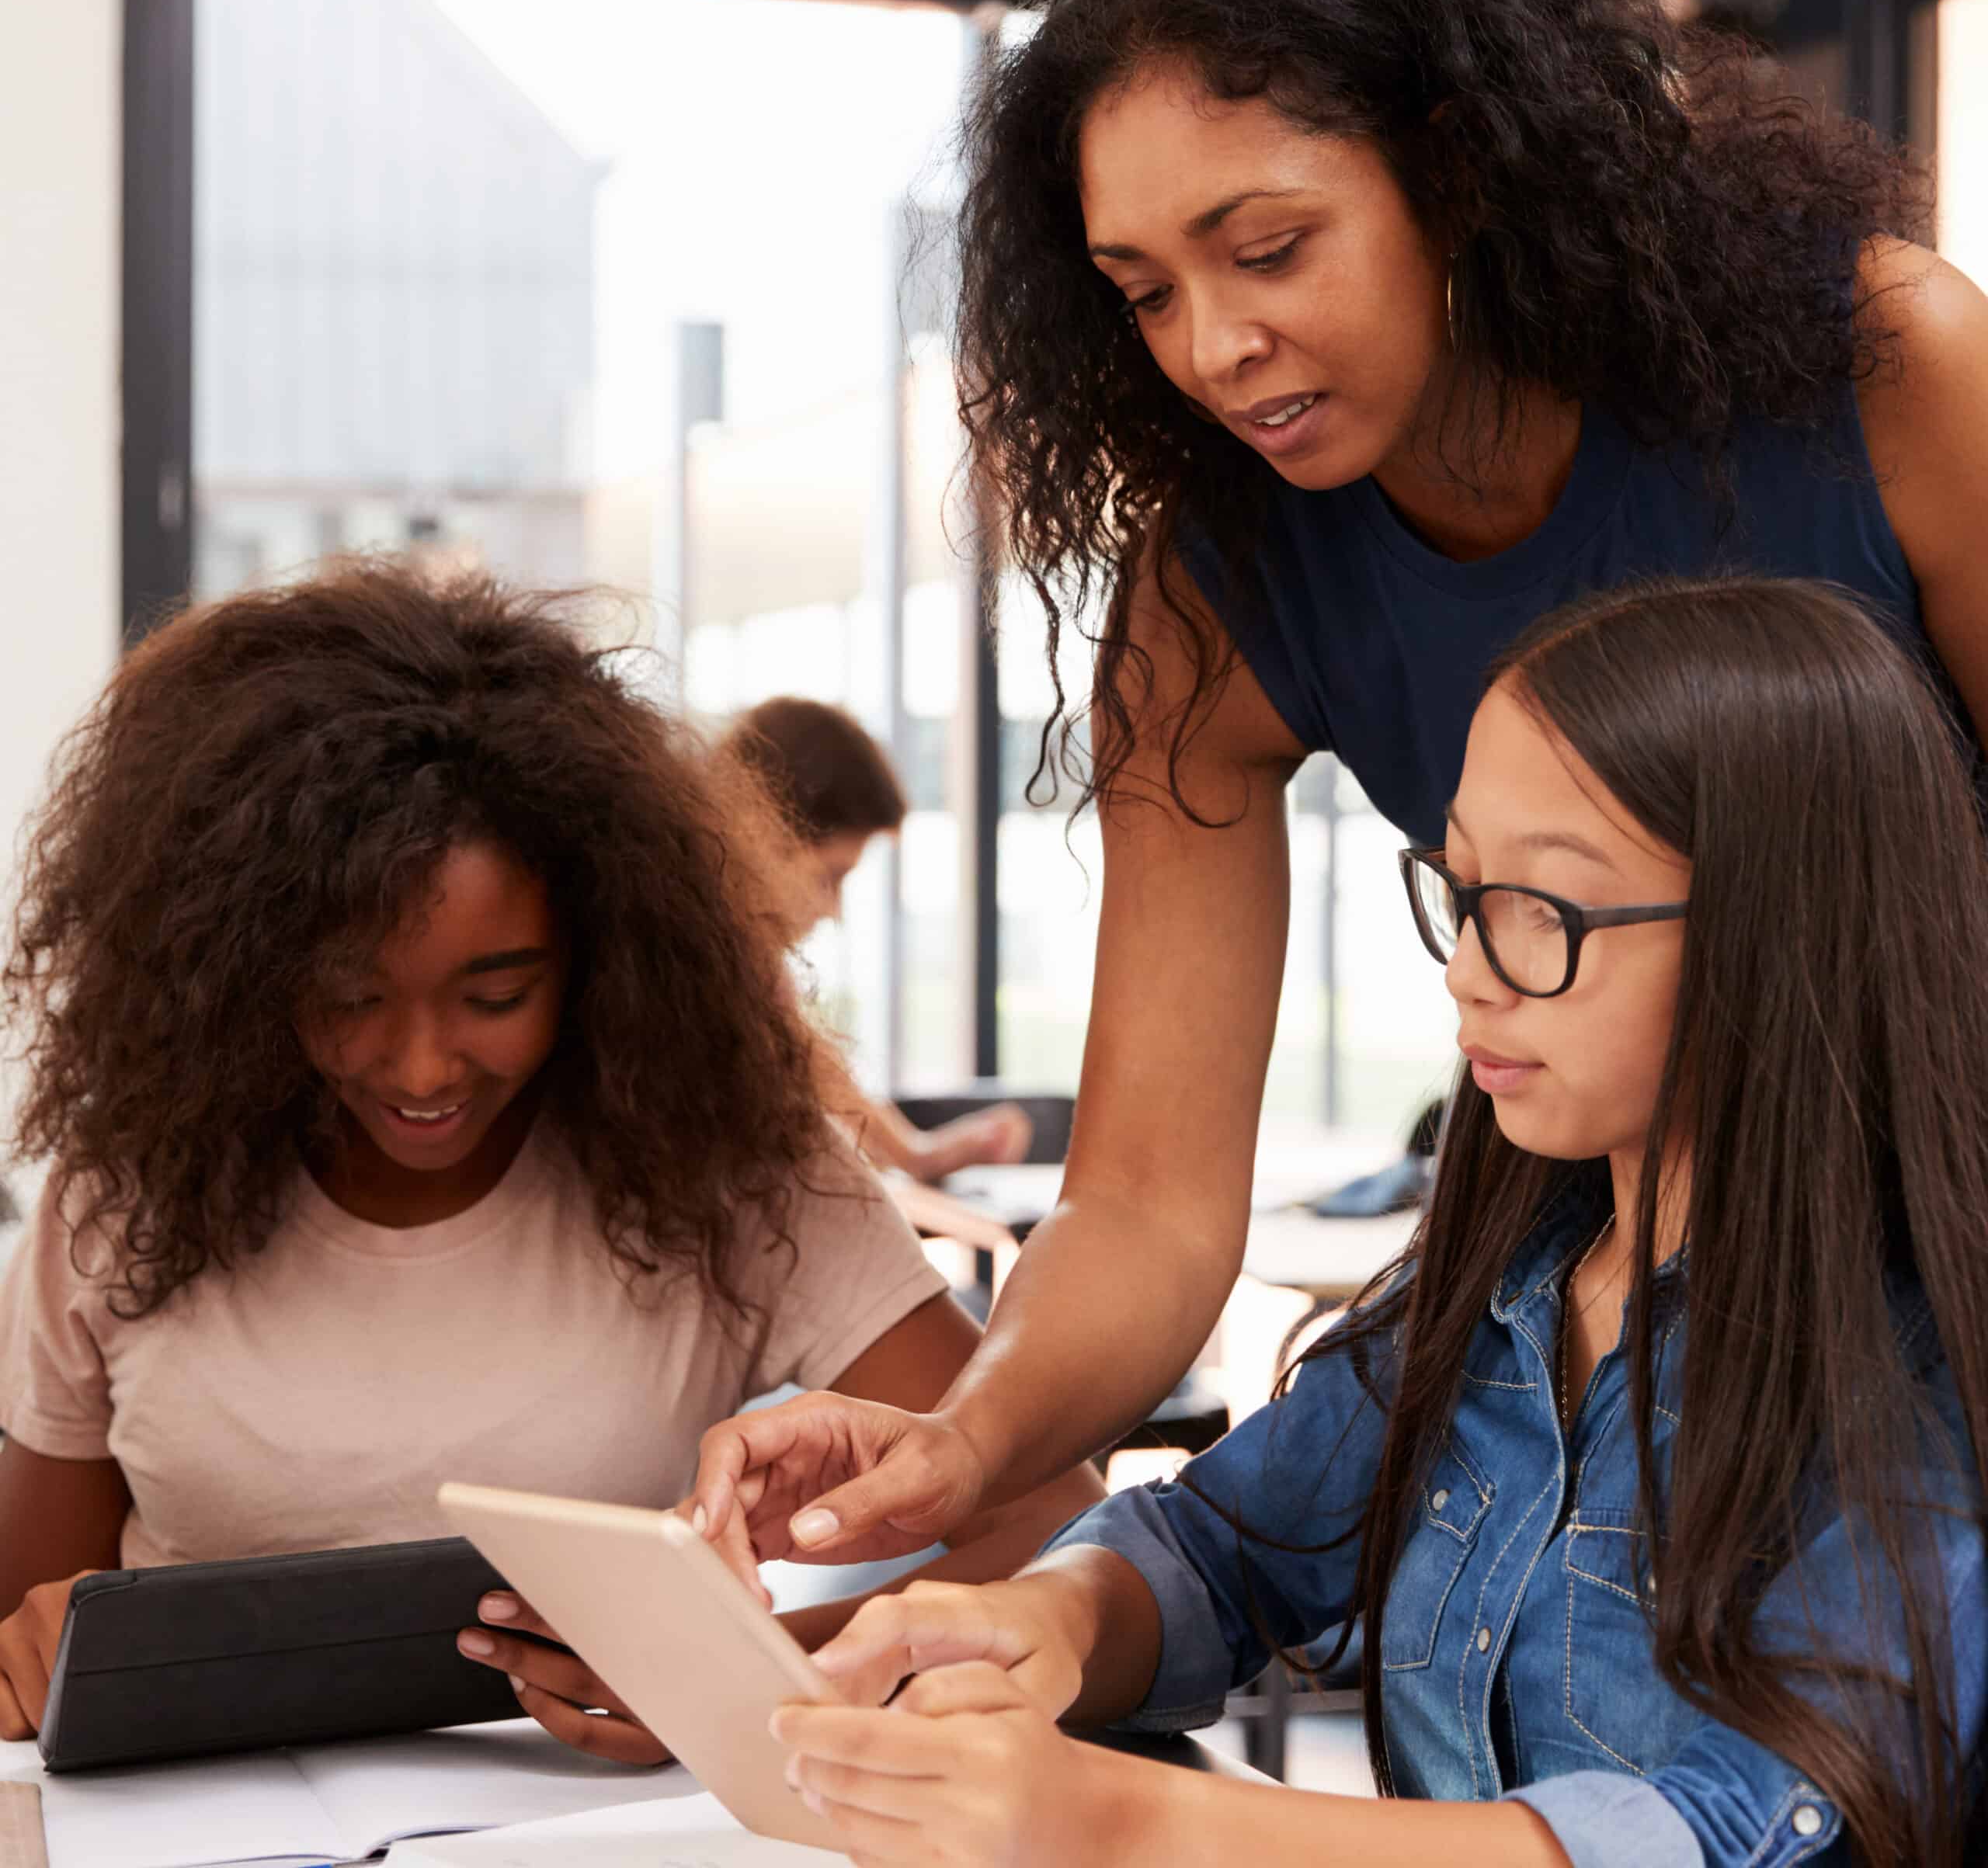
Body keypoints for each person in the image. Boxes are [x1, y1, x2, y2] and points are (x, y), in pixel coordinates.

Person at [682, 0, 1988, 1590]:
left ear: (1455, 173)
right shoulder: (1216, 589)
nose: (1214, 348)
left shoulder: (1890, 365)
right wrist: (968, 1440)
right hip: (1635, 1329)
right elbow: (1145, 1199)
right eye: (1141, 290)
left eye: (1268, 248)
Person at [771, 577, 1988, 1867]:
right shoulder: (1489, 1303)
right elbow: (1215, 1547)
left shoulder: (1919, 1384)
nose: (1467, 969)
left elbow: (1734, 1821)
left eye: (1546, 912)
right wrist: (1046, 1623)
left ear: (1783, 929)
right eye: (1464, 890)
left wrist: (1132, 1823)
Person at [0, 567, 1100, 1752]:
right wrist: (34, 1652)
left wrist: (749, 1671)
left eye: (496, 992)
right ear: (243, 974)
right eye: (348, 996)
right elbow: (27, 1641)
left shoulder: (734, 1171)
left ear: (598, 952)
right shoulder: (126, 1199)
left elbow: (1055, 1520)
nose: (422, 1069)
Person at [720, 696, 1034, 1182]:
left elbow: (815, 1066)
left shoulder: (753, 969)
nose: (832, 910)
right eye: (831, 877)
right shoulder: (710, 961)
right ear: (760, 836)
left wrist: (919, 1154)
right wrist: (918, 1155)